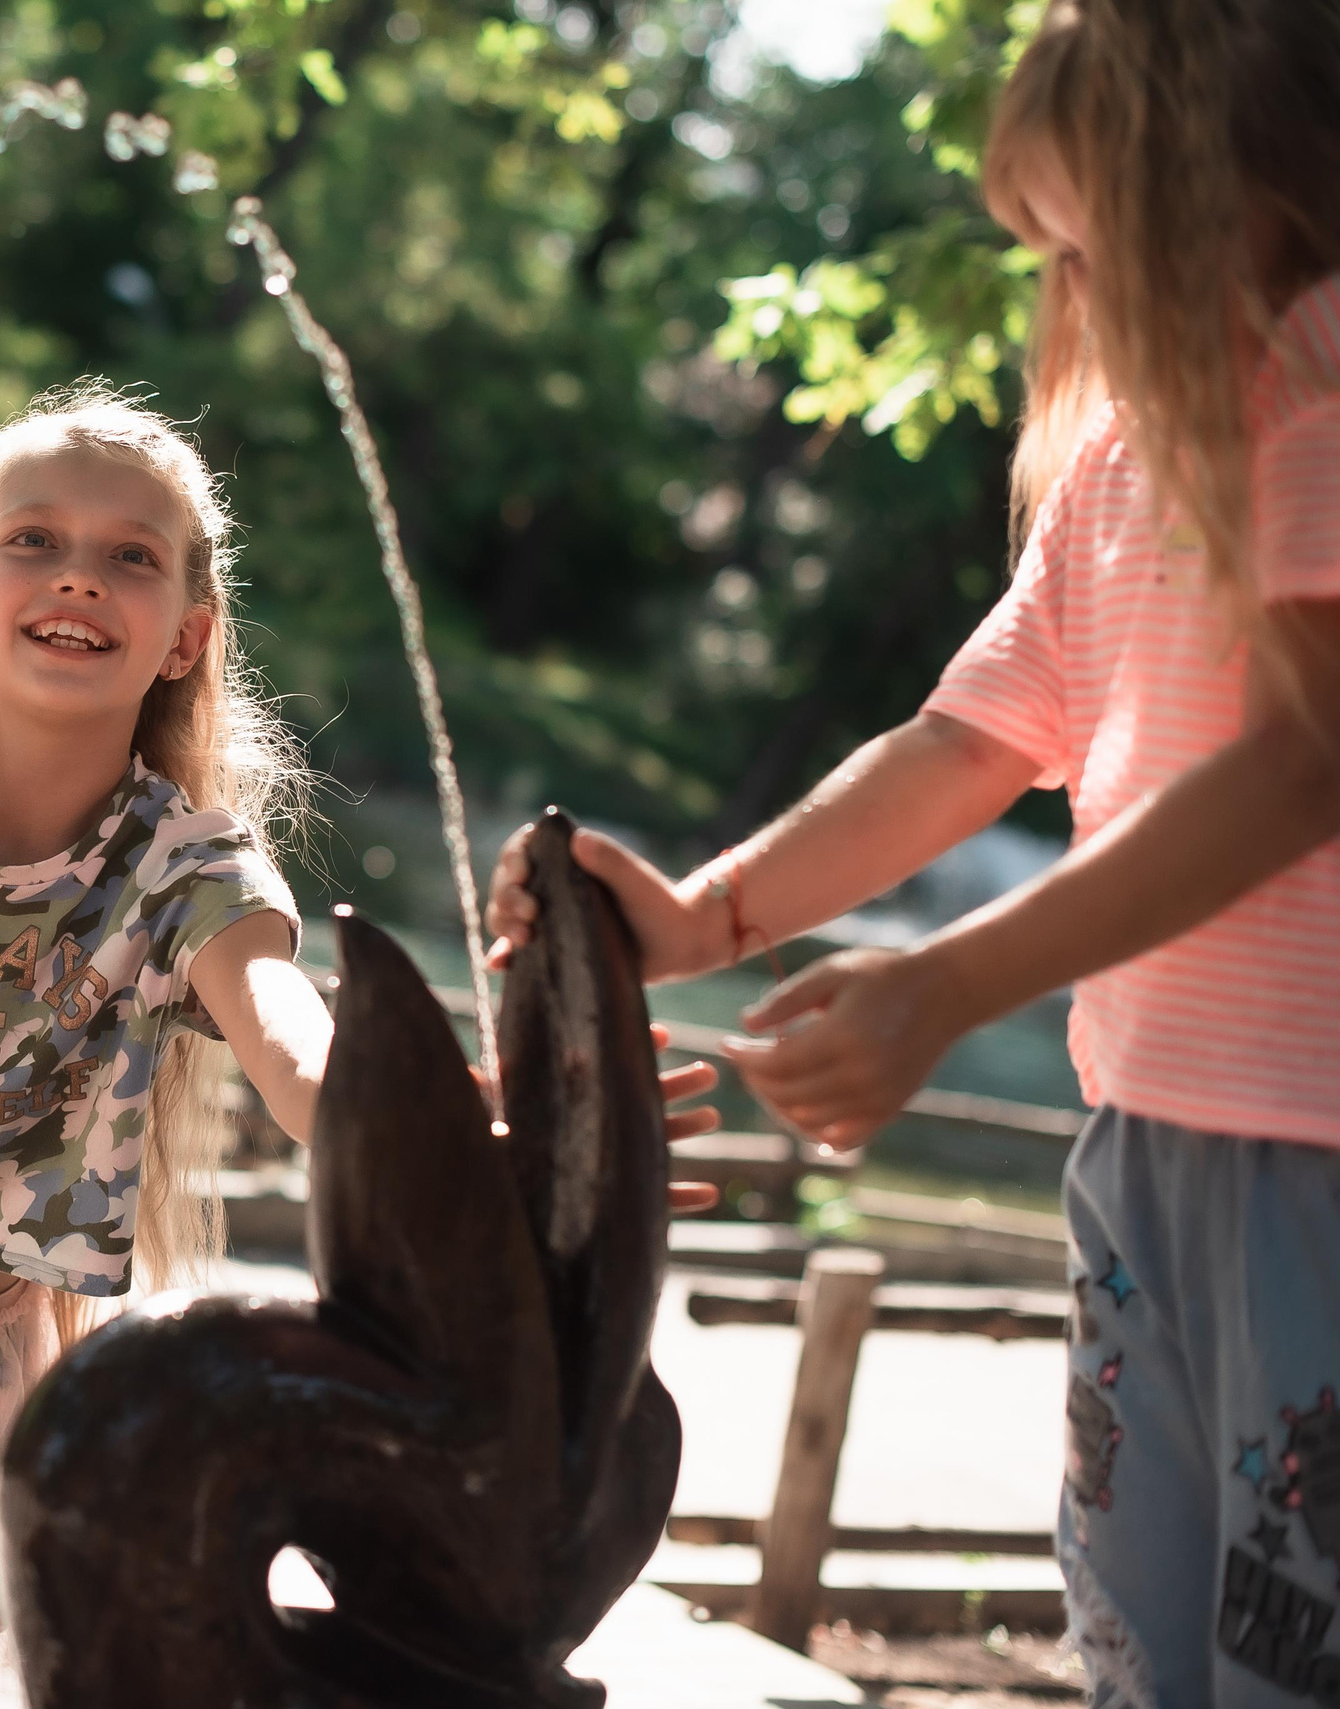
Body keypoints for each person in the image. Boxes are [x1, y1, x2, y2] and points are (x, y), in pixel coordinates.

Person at [0, 383, 719, 1709]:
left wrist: (437, 1130)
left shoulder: (188, 866)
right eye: (35, 540)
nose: (80, 577)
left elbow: (291, 1043)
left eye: (132, 556)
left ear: (186, 635)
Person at [491, 3, 1340, 1702]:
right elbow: (968, 741)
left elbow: (1306, 760)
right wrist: (711, 913)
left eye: (1095, 242)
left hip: (1314, 1163)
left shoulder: (1326, 388)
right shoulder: (1122, 462)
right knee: (1144, 1640)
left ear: (1246, 187)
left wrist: (949, 983)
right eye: (1048, 255)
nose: (1071, 300)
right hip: (1144, 1140)